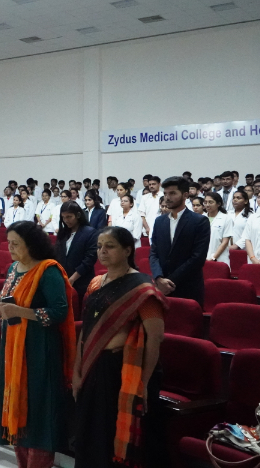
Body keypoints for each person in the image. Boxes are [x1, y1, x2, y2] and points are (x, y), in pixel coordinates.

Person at [73, 226, 167, 468]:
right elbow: (86, 330)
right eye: (99, 246)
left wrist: (144, 382)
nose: (102, 251)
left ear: (127, 250)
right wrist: (77, 371)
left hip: (121, 371)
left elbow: (155, 338)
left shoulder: (143, 290)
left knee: (111, 434)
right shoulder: (95, 283)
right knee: (89, 434)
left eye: (110, 246)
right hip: (93, 366)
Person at [0, 221, 76, 468]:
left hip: (40, 351)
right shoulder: (13, 268)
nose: (10, 248)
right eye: (9, 243)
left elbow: (59, 312)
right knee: (19, 406)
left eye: (16, 244)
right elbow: (11, 302)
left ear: (32, 245)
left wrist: (20, 311)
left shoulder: (48, 271)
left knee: (38, 410)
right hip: (13, 348)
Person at [150, 176, 210, 304]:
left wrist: (170, 281)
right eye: (165, 194)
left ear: (185, 195)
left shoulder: (199, 221)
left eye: (172, 193)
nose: (167, 197)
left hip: (187, 286)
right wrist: (159, 277)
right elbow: (154, 253)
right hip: (161, 285)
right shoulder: (159, 221)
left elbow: (198, 258)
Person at [55, 201, 98, 302]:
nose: (66, 220)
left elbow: (89, 260)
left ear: (78, 215)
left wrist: (72, 279)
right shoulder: (63, 233)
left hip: (82, 282)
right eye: (63, 217)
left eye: (69, 217)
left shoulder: (90, 232)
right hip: (63, 280)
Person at [203, 192, 232, 263]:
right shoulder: (202, 218)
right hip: (203, 258)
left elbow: (225, 242)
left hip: (220, 259)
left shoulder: (226, 218)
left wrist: (213, 257)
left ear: (218, 204)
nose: (207, 205)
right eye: (205, 202)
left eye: (211, 202)